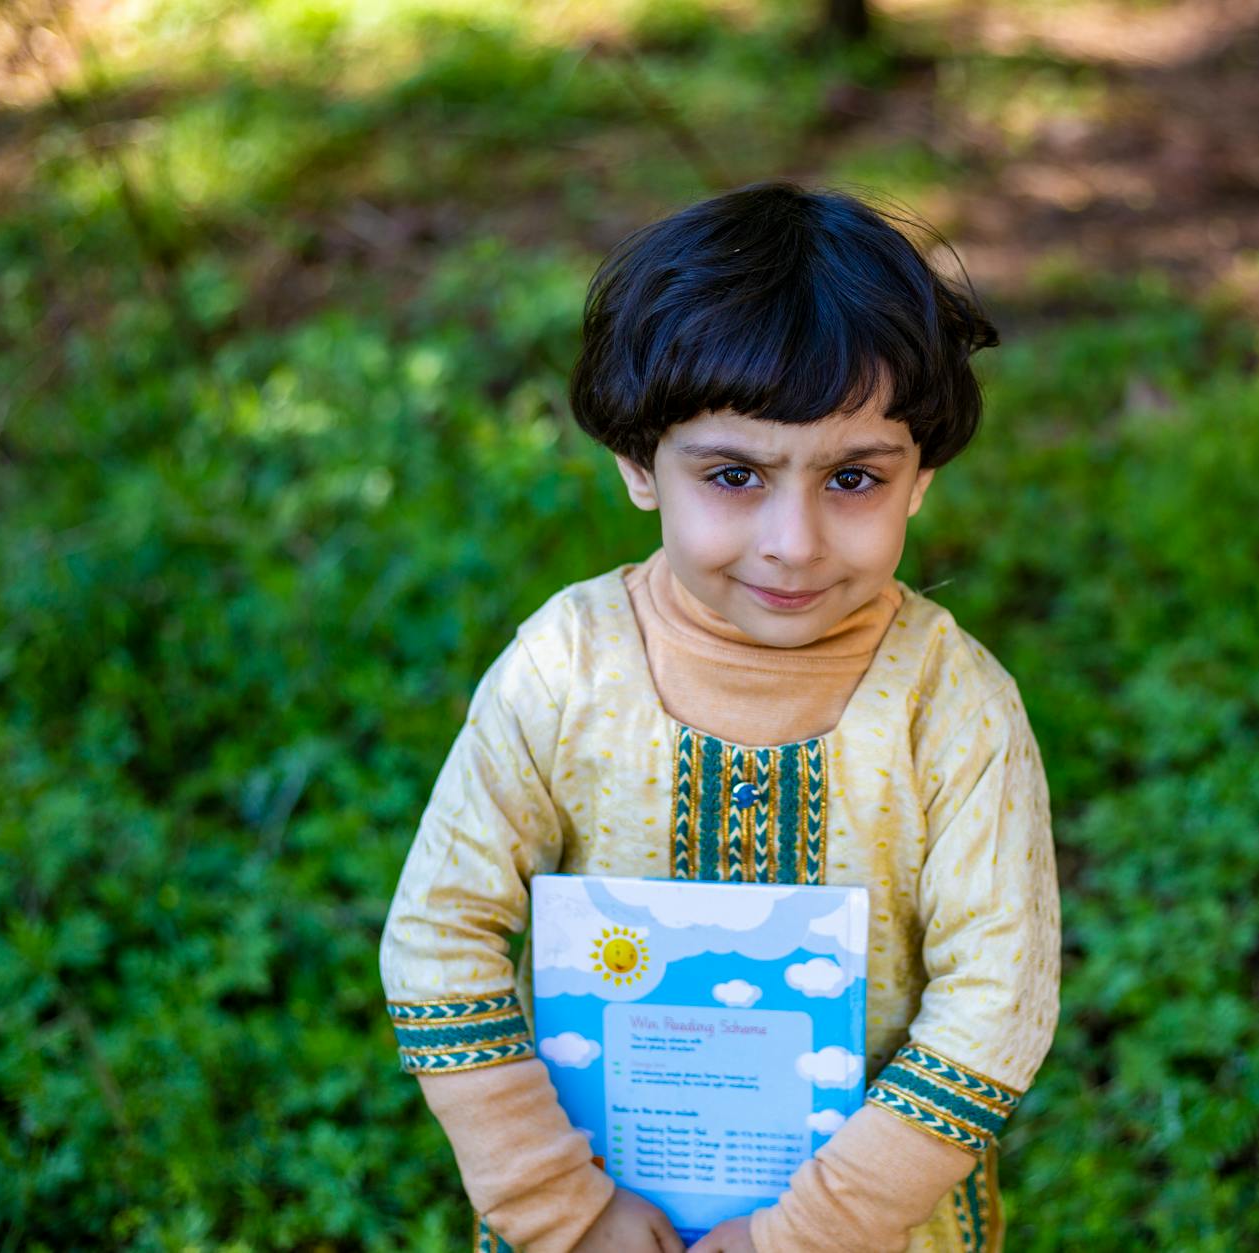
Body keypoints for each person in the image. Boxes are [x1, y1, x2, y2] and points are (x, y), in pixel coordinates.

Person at [378, 180, 1060, 1253]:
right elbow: (437, 936)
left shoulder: (951, 705)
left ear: (917, 474)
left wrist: (800, 1233)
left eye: (851, 476)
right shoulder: (563, 669)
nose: (792, 539)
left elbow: (996, 1008)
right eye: (734, 474)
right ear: (639, 463)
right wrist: (563, 1206)